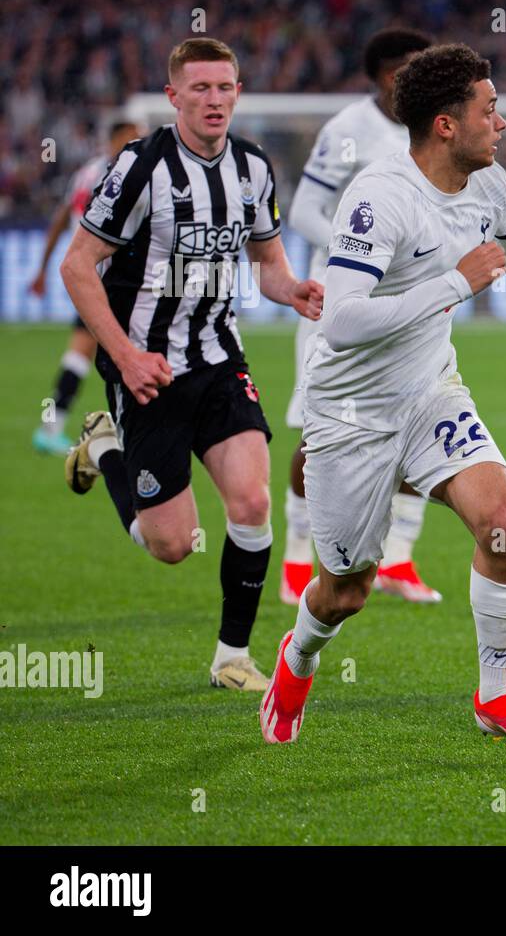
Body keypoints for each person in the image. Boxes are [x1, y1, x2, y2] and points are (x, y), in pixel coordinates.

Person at [260, 44, 506, 755]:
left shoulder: (489, 185)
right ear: (445, 125)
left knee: (501, 523)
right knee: (346, 591)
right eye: (489, 109)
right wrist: (456, 284)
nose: (503, 121)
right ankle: (297, 659)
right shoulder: (380, 198)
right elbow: (341, 319)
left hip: (431, 391)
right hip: (351, 413)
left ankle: (495, 694)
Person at [60, 38, 323, 691]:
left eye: (224, 87)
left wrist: (292, 291)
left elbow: (267, 261)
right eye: (200, 89)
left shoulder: (254, 169)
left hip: (217, 358)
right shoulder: (138, 167)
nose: (214, 100)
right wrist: (123, 355)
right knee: (172, 545)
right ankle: (105, 445)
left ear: (238, 92)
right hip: (146, 368)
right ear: (173, 96)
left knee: (253, 501)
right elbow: (77, 265)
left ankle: (231, 656)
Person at [281, 27, 443, 606]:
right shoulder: (349, 131)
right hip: (345, 300)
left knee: (418, 421)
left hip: (415, 307)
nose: (411, 79)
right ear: (380, 75)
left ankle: (398, 556)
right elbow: (302, 210)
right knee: (318, 429)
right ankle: (299, 561)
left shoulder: (437, 127)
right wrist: (360, 255)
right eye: (403, 69)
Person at [30, 121, 142, 453]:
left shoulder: (85, 173)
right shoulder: (115, 173)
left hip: (88, 275)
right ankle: (120, 432)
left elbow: (62, 218)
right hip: (109, 277)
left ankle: (51, 426)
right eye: (130, 138)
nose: (136, 144)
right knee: (128, 350)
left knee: (83, 351)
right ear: (114, 140)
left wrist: (41, 268)